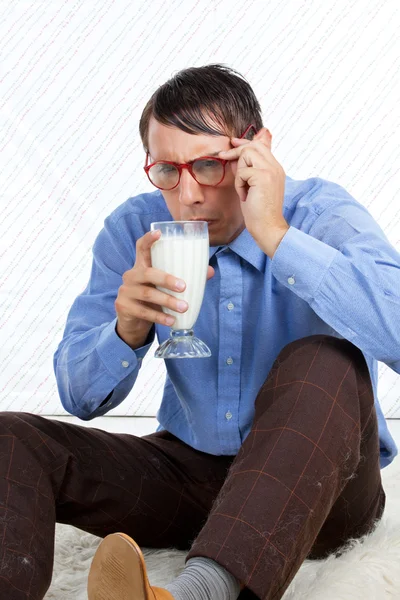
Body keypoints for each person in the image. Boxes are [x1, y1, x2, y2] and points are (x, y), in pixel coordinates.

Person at [1, 64, 399, 600]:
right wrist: (126, 330)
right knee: (13, 439)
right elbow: (78, 396)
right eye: (167, 170)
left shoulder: (319, 212)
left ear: (257, 150)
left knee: (324, 357)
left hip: (327, 491)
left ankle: (197, 595)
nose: (187, 195)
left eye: (209, 165)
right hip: (193, 476)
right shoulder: (135, 228)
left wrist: (275, 234)